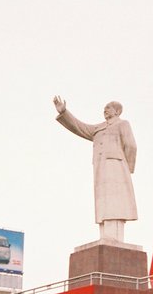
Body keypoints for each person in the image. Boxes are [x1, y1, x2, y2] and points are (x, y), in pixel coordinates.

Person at [54, 96, 138, 241]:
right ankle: (105, 237)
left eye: (109, 108)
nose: (105, 110)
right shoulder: (99, 128)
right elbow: (80, 127)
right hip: (101, 169)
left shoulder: (122, 124)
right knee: (103, 204)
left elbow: (131, 146)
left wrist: (126, 169)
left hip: (116, 166)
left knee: (116, 203)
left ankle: (114, 238)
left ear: (117, 111)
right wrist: (64, 113)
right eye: (104, 108)